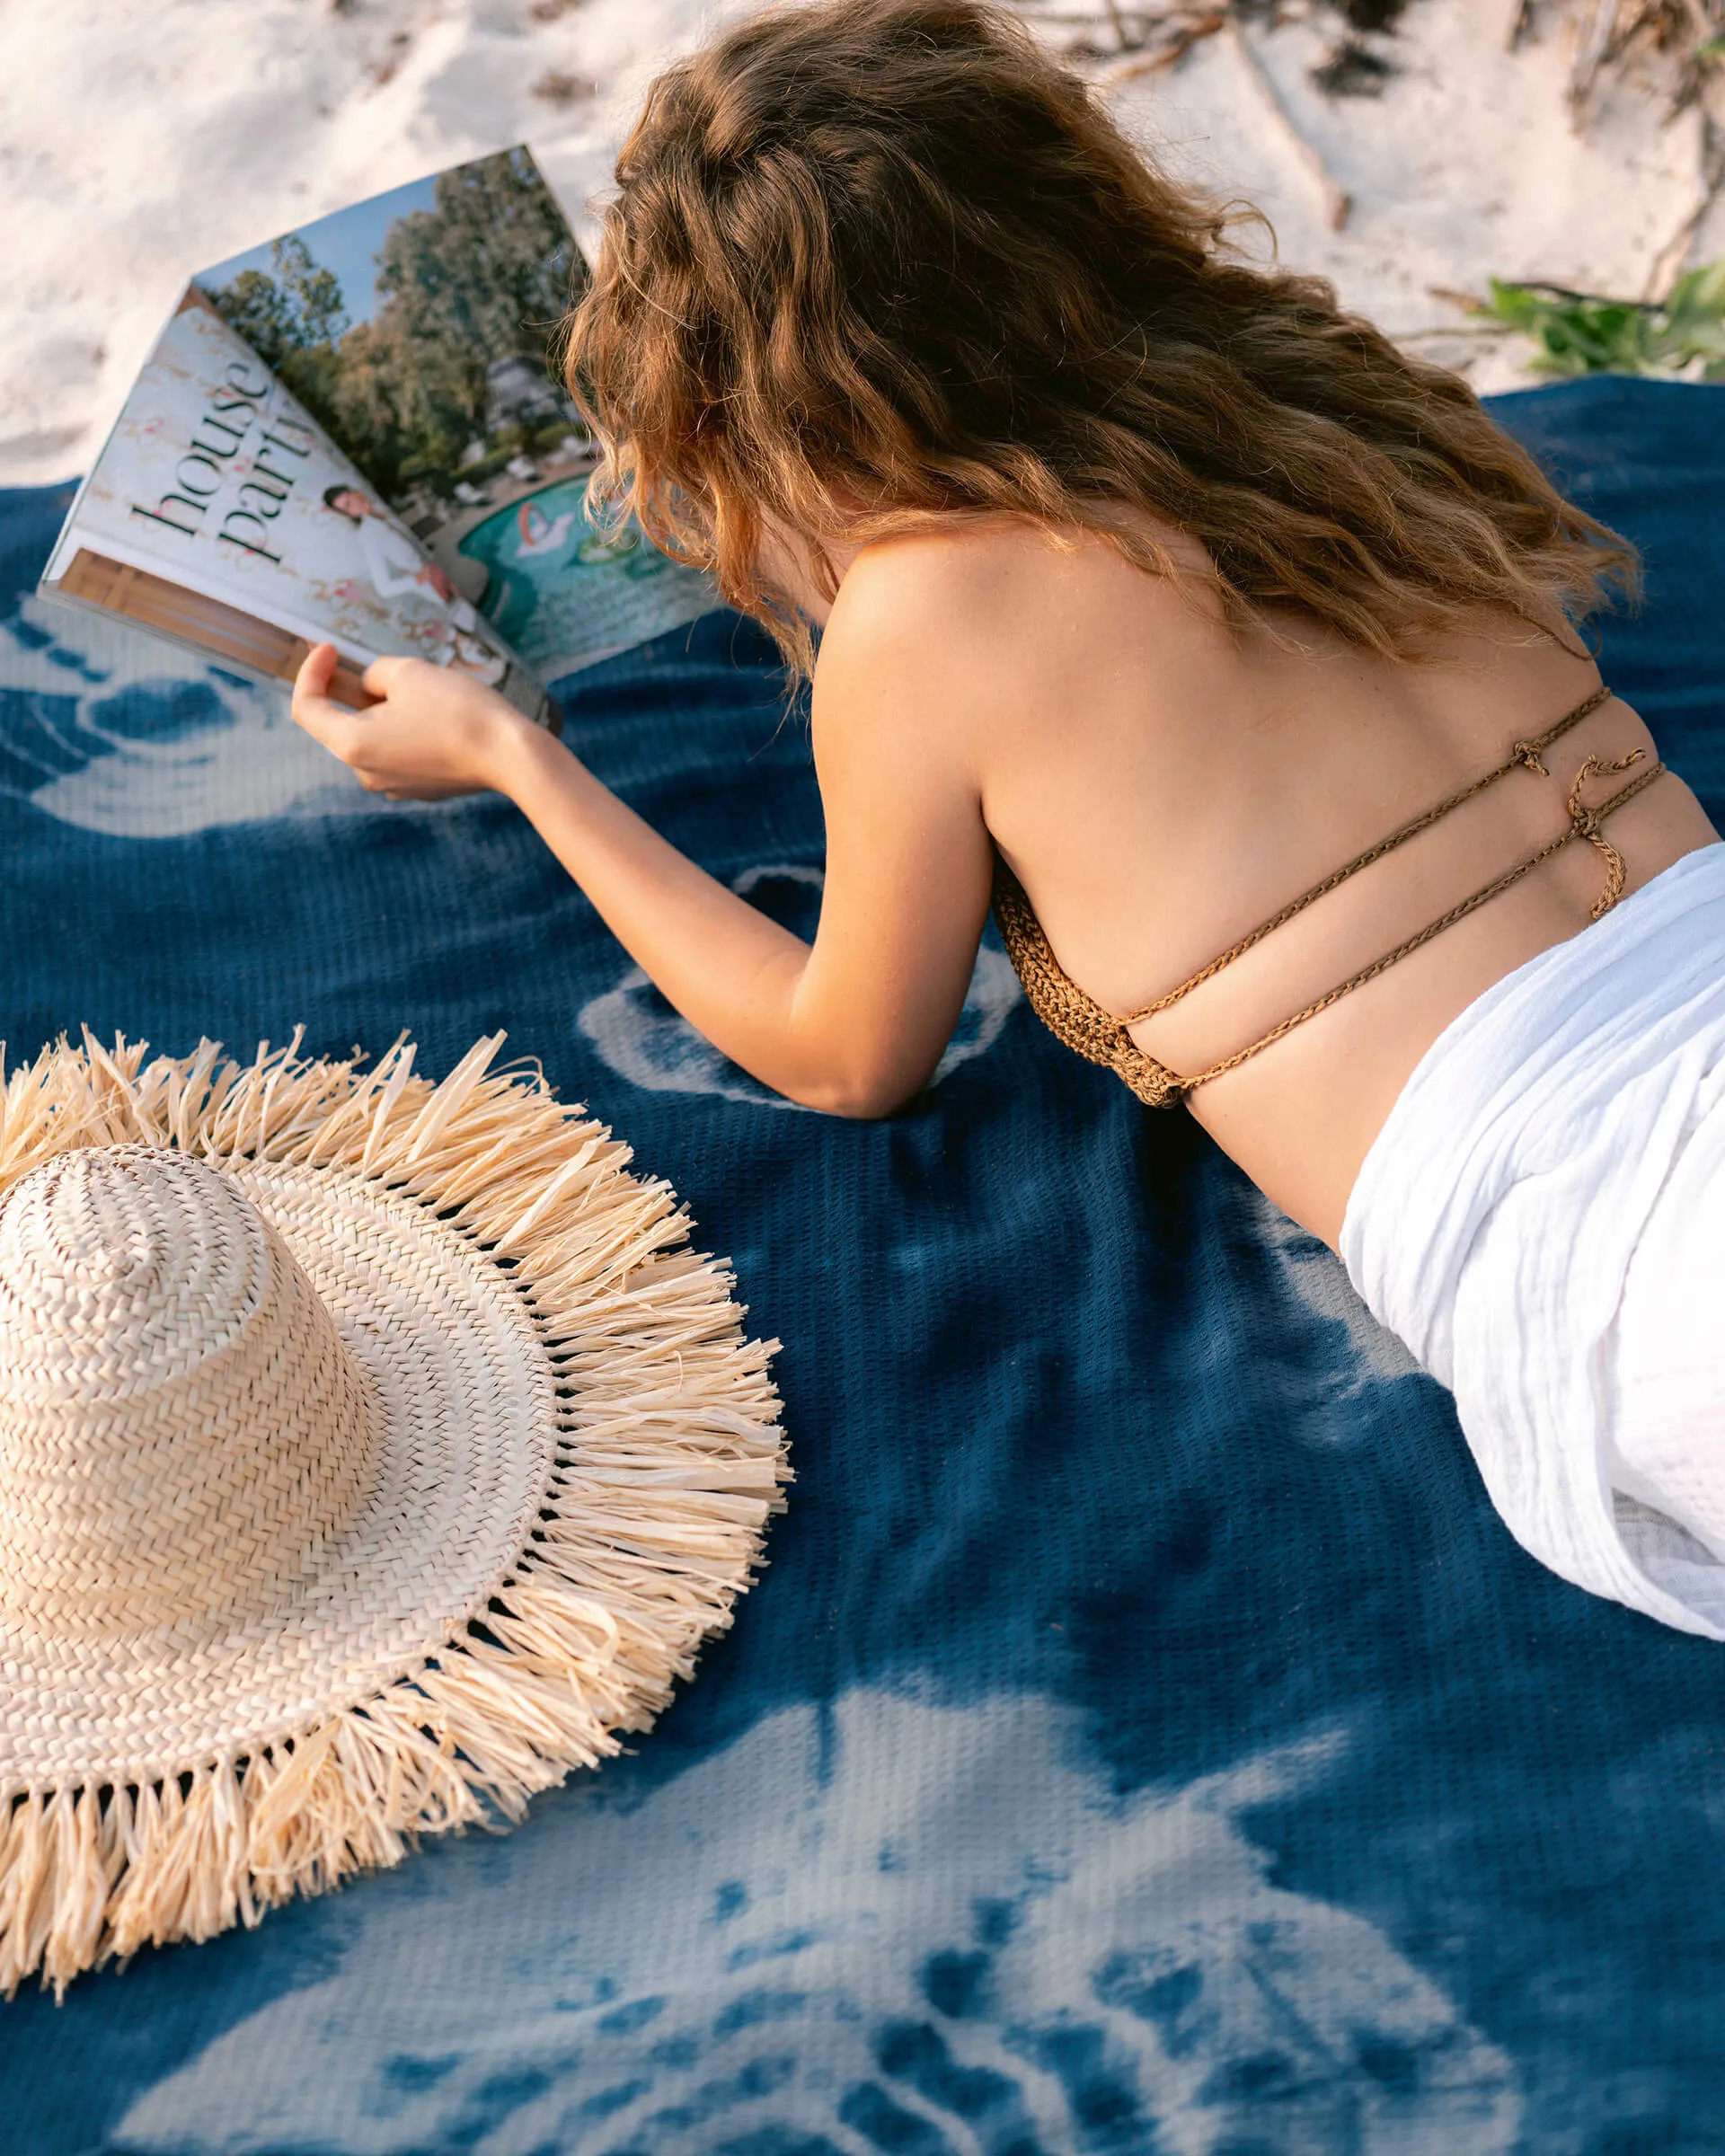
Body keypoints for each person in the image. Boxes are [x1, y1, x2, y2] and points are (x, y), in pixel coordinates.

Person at [293, 0, 1725, 1637]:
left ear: (760, 400)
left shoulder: (922, 623)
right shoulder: (1323, 397)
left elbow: (848, 1053)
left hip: (1596, 1222)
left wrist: (516, 761)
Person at [320, 483, 509, 685]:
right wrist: (415, 580)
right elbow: (383, 587)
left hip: (436, 572)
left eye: (351, 498)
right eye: (347, 507)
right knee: (469, 623)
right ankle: (498, 669)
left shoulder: (382, 517)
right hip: (427, 584)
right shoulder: (368, 535)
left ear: (356, 492)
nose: (355, 505)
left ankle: (502, 660)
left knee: (473, 617)